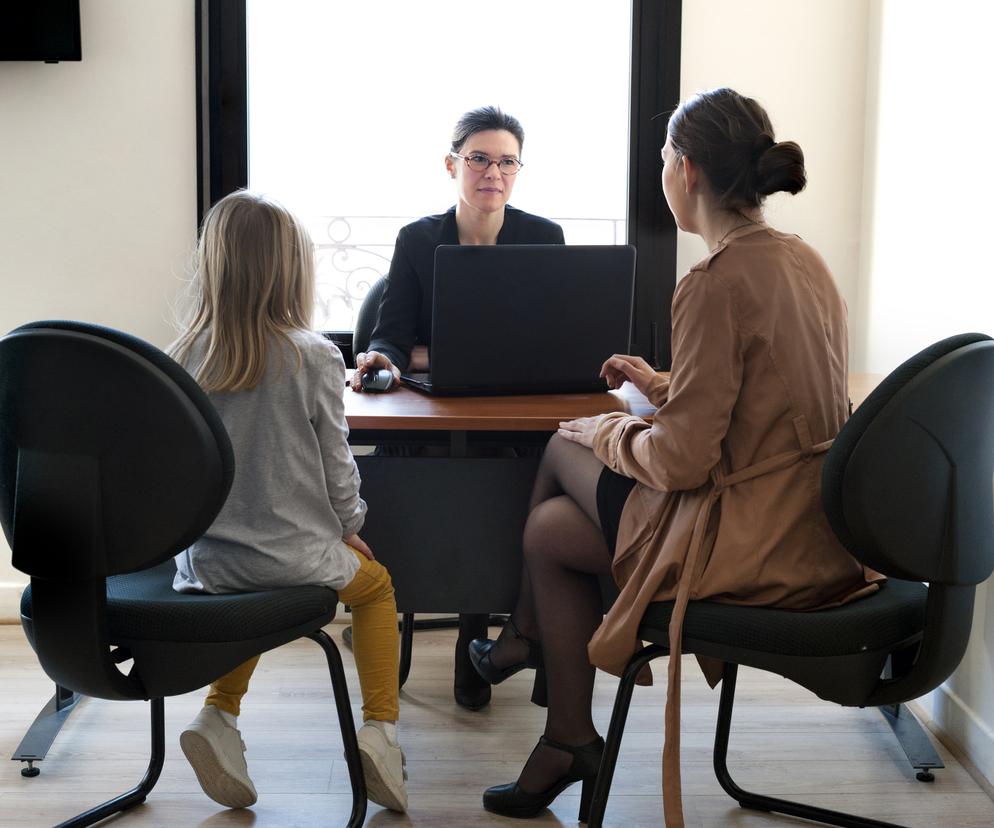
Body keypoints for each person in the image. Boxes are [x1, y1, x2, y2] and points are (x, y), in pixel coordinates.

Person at [470, 88, 884, 824]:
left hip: (753, 540)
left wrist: (602, 429)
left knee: (562, 445)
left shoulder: (712, 283)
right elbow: (764, 398)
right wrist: (662, 384)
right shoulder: (804, 262)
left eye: (663, 158)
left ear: (686, 172)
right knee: (548, 534)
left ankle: (528, 653)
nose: (661, 172)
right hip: (816, 523)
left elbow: (684, 462)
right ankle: (556, 719)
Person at [168, 191, 409, 814]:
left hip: (208, 565)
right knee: (376, 586)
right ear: (291, 272)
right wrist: (350, 528)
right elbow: (339, 473)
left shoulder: (182, 358)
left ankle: (219, 714)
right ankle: (381, 730)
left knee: (251, 594)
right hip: (292, 559)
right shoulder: (312, 355)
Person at [351, 105, 564, 711]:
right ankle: (462, 637)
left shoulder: (542, 237)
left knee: (520, 478)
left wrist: (428, 351)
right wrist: (388, 358)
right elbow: (391, 336)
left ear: (517, 172)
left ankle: (503, 637)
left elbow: (551, 337)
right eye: (478, 159)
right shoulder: (419, 239)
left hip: (513, 413)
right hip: (435, 416)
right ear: (452, 164)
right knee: (439, 482)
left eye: (506, 162)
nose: (492, 172)